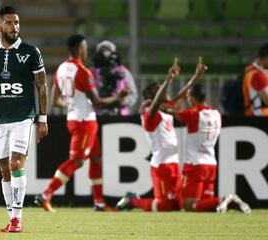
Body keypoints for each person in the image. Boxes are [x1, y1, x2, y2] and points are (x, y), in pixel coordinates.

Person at [0, 6, 48, 233]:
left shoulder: (30, 52)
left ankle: (18, 219)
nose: (14, 27)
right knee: (5, 170)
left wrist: (42, 118)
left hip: (23, 117)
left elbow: (42, 85)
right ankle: (11, 217)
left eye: (16, 22)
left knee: (16, 163)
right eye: (9, 23)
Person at [34, 34, 127, 212]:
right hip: (85, 122)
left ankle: (99, 202)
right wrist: (118, 96)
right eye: (84, 47)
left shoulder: (61, 69)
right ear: (78, 50)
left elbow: (55, 101)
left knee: (96, 158)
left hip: (74, 118)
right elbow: (98, 102)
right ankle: (46, 193)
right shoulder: (83, 72)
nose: (86, 51)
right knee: (77, 161)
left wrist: (71, 103)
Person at [116, 59, 199, 212]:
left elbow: (182, 95)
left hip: (174, 164)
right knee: (163, 207)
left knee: (180, 206)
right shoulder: (149, 115)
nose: (166, 91)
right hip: (160, 166)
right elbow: (155, 104)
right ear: (153, 97)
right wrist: (168, 79)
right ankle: (132, 200)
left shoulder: (166, 110)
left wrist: (195, 76)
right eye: (160, 90)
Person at [173, 67, 251, 213]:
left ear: (191, 99)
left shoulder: (193, 114)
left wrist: (189, 83)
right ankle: (226, 202)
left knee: (189, 206)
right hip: (211, 164)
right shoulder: (216, 113)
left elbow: (169, 107)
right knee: (204, 205)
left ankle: (224, 199)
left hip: (195, 165)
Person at [90, 40, 138, 116]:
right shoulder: (91, 72)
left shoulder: (123, 72)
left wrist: (124, 101)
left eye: (108, 53)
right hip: (97, 113)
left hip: (120, 114)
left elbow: (133, 93)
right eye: (102, 53)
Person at [242, 43, 268, 116]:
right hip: (261, 116)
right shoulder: (258, 75)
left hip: (250, 113)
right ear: (266, 58)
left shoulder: (249, 71)